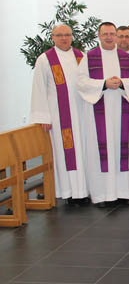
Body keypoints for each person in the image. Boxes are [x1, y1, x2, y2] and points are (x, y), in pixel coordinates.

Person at [77, 22, 129, 207]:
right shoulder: (89, 57)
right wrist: (103, 84)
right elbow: (80, 82)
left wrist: (121, 83)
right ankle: (101, 195)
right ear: (99, 36)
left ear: (116, 36)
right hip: (98, 110)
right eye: (105, 34)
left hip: (121, 111)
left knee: (121, 149)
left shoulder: (126, 58)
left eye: (111, 34)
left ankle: (123, 192)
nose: (108, 37)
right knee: (100, 151)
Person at [29, 24, 89, 206]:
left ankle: (84, 190)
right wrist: (43, 117)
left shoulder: (81, 57)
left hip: (82, 113)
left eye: (67, 35)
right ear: (52, 37)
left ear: (72, 37)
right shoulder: (45, 59)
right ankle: (69, 192)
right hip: (59, 116)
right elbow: (38, 89)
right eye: (59, 35)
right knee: (65, 153)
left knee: (83, 150)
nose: (64, 38)